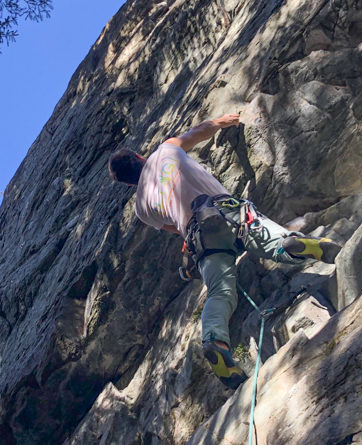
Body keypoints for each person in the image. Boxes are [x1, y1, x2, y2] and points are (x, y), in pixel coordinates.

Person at [108, 114, 342, 389]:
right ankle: (290, 244)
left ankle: (215, 340)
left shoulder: (142, 208)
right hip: (227, 209)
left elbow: (174, 228)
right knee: (270, 241)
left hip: (199, 235)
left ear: (128, 184)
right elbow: (199, 131)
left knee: (221, 292)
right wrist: (221, 122)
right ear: (139, 156)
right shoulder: (166, 149)